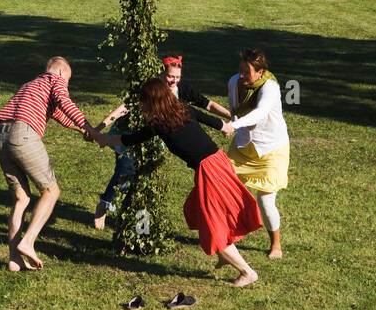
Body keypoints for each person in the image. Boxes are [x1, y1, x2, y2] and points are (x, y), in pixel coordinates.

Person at [98, 77, 262, 287]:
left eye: (143, 100)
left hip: (210, 169)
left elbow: (129, 139)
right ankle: (225, 255)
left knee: (212, 223)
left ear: (152, 101)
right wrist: (224, 126)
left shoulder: (159, 123)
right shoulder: (182, 109)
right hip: (217, 161)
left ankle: (247, 271)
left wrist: (105, 139)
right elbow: (211, 121)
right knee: (195, 209)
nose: (141, 104)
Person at [0, 57, 99, 270]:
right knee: (51, 191)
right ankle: (28, 242)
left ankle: (14, 259)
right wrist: (90, 127)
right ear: (61, 73)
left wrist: (83, 131)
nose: (66, 86)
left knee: (21, 198)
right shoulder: (56, 79)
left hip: (1, 137)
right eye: (67, 81)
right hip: (23, 135)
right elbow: (65, 102)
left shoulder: (31, 85)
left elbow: (59, 113)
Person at [224, 48, 290, 260]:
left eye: (247, 73)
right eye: (241, 71)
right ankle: (226, 236)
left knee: (266, 202)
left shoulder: (270, 88)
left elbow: (259, 113)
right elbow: (233, 108)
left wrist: (234, 125)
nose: (242, 76)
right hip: (244, 146)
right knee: (223, 186)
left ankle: (276, 244)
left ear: (260, 72)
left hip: (271, 148)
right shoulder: (234, 82)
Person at [92, 100, 137, 230]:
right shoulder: (143, 90)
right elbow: (122, 109)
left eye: (177, 77)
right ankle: (104, 204)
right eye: (170, 77)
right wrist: (99, 128)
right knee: (124, 175)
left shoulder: (176, 92)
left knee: (139, 181)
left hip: (149, 143)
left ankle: (136, 222)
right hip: (124, 140)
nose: (173, 80)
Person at [161, 54, 231, 120]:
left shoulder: (184, 89)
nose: (175, 80)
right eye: (170, 76)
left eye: (178, 77)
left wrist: (231, 116)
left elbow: (209, 105)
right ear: (161, 73)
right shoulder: (153, 91)